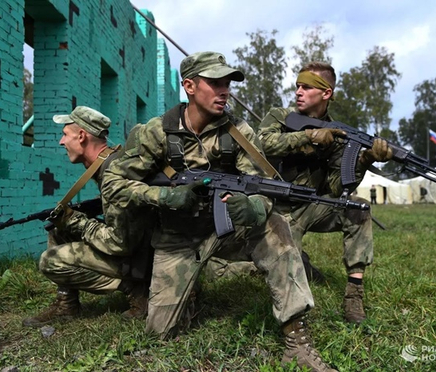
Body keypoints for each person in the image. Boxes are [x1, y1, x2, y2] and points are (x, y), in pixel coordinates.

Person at [101, 52, 338, 372]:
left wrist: (252, 207)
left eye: (227, 82)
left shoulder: (239, 132)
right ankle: (193, 288)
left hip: (226, 229)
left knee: (276, 225)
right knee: (161, 333)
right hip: (178, 237)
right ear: (189, 86)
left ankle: (296, 338)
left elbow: (265, 188)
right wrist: (164, 197)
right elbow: (113, 183)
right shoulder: (157, 132)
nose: (224, 90)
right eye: (214, 83)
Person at [216, 62, 393, 324]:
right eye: (298, 86)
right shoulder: (281, 116)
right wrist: (307, 137)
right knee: (280, 269)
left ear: (326, 94)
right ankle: (258, 266)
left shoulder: (340, 134)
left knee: (359, 208)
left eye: (307, 87)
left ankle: (354, 295)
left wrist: (365, 160)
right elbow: (262, 143)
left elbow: (335, 187)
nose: (298, 91)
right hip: (274, 208)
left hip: (311, 206)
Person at [22, 106, 153, 328]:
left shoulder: (113, 172)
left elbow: (120, 243)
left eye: (65, 135)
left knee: (50, 260)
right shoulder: (109, 162)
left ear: (82, 136)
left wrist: (77, 221)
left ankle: (139, 291)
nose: (61, 142)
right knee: (58, 230)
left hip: (147, 257)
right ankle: (67, 305)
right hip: (142, 248)